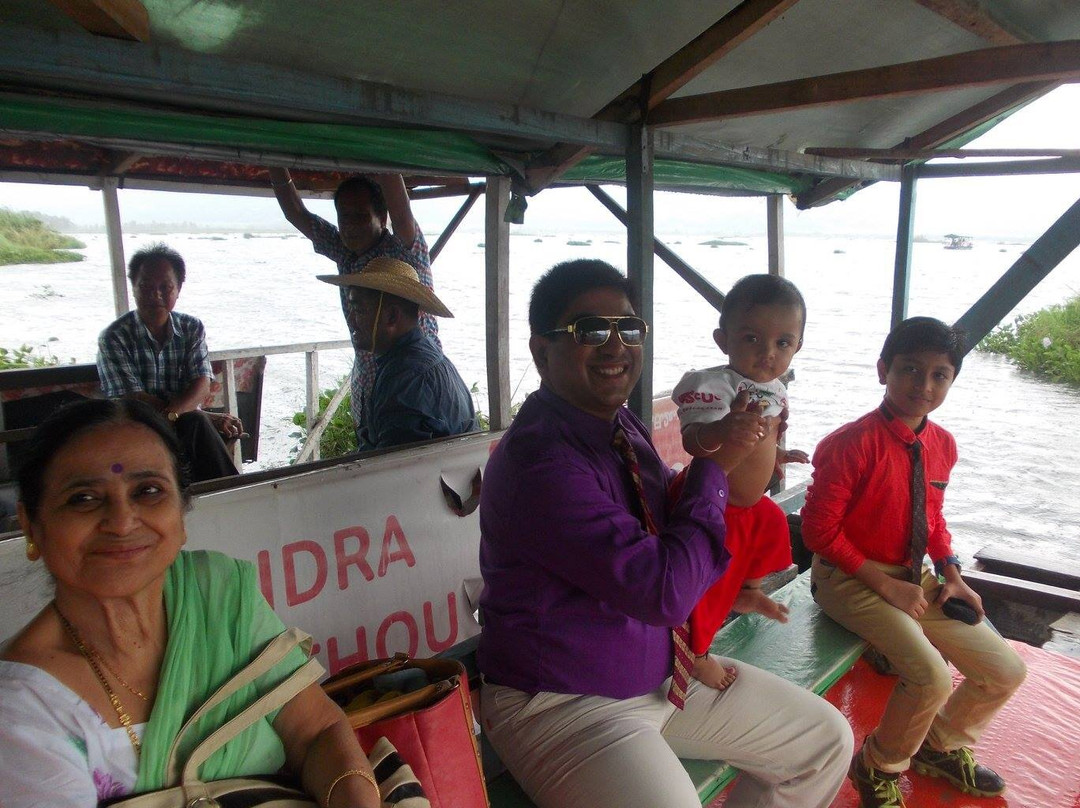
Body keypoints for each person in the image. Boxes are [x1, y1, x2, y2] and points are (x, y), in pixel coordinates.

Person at [477, 259, 852, 808]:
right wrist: (715, 466)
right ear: (541, 351)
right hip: (565, 701)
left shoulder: (619, 426)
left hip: (665, 670)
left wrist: (733, 489)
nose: (616, 346)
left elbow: (668, 517)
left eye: (629, 328)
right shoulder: (541, 462)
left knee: (824, 742)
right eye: (590, 330)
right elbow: (661, 591)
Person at [0, 399, 381, 807]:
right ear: (31, 525)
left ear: (181, 514)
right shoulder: (21, 709)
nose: (122, 522)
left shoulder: (219, 596)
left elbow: (316, 732)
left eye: (148, 491)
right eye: (83, 498)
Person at [801, 317, 1027, 808]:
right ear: (883, 370)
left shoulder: (942, 444)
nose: (923, 385)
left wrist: (952, 575)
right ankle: (878, 766)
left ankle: (940, 746)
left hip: (914, 576)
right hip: (846, 577)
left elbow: (933, 518)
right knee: (931, 676)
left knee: (1005, 670)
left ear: (952, 380)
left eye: (939, 375)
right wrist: (886, 587)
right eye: (909, 369)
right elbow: (819, 532)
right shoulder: (849, 444)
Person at [671, 274, 809, 690]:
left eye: (782, 342)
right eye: (751, 339)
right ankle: (697, 653)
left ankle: (747, 590)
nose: (768, 353)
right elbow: (693, 441)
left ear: (797, 346)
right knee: (705, 585)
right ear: (723, 339)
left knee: (772, 523)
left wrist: (778, 456)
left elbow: (763, 438)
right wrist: (720, 430)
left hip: (748, 503)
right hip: (711, 502)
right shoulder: (714, 386)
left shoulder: (776, 389)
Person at [269, 167, 439, 438]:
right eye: (344, 217)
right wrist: (273, 160)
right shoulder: (345, 253)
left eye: (361, 216)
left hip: (412, 382)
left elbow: (401, 208)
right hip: (370, 389)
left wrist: (378, 152)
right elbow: (296, 214)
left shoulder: (404, 250)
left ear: (382, 218)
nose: (350, 225)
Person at [96, 243, 240, 483]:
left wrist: (174, 415)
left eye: (165, 287)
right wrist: (183, 415)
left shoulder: (191, 328)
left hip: (184, 422)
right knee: (196, 425)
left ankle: (220, 492)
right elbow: (132, 396)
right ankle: (231, 492)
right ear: (133, 287)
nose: (156, 295)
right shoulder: (114, 337)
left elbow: (201, 383)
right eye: (146, 286)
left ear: (178, 289)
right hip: (136, 426)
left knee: (194, 425)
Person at [318, 256, 476, 451]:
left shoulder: (405, 378)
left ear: (392, 316)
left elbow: (394, 466)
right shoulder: (424, 353)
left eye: (358, 310)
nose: (350, 320)